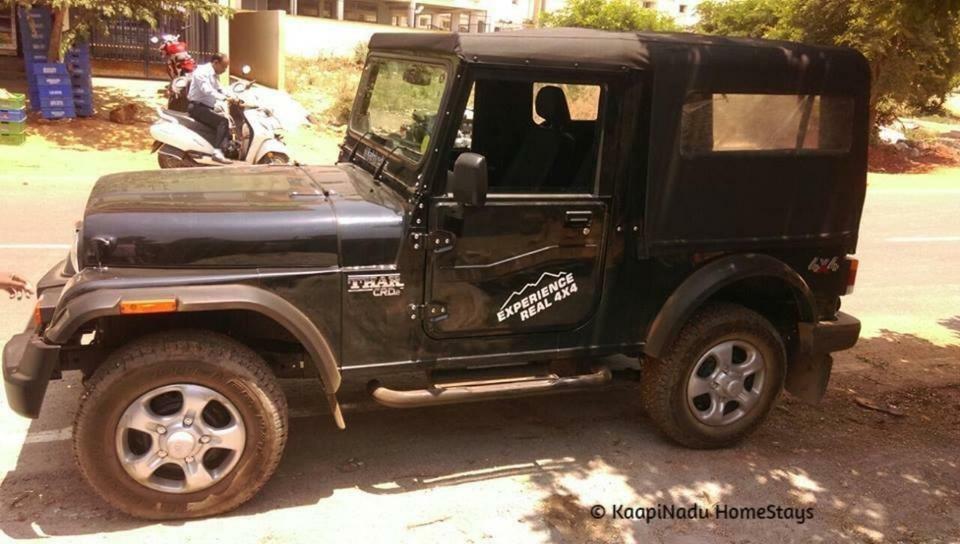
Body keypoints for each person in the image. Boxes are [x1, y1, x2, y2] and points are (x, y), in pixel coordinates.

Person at [187, 52, 232, 163]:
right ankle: (217, 153)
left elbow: (219, 88)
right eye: (224, 67)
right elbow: (207, 90)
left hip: (206, 106)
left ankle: (222, 149)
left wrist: (234, 96)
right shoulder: (202, 72)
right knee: (223, 122)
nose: (225, 70)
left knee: (226, 125)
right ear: (216, 63)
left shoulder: (213, 74)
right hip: (197, 108)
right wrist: (225, 99)